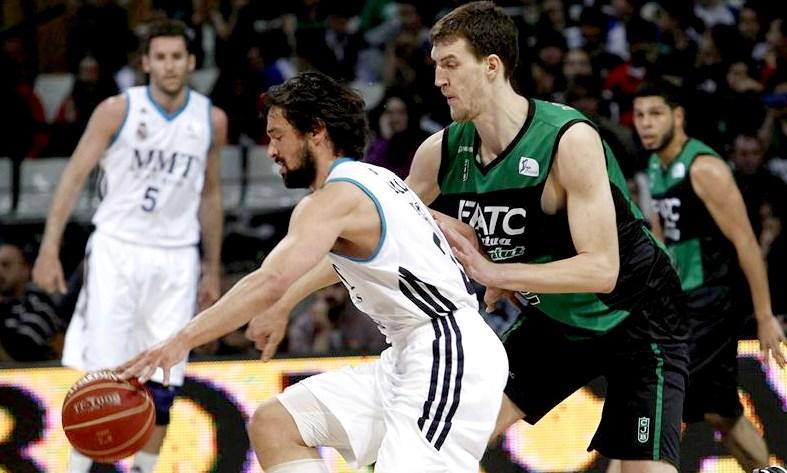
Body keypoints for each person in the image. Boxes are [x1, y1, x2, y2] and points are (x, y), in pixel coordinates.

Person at [118, 72, 508, 473]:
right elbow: (452, 231)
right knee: (276, 424)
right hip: (410, 356)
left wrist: (180, 341)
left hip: (447, 352)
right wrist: (284, 304)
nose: (271, 150)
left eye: (278, 136)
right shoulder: (377, 179)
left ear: (316, 131)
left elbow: (269, 280)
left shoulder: (335, 199)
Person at [402, 3, 691, 472]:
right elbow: (380, 221)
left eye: (450, 64)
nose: (438, 79)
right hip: (556, 320)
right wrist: (284, 293)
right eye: (436, 65)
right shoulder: (443, 150)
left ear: (491, 66)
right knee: (448, 436)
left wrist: (497, 272)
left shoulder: (567, 138)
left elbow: (601, 269)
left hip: (639, 317)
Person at [31, 19, 227, 473]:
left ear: (191, 61)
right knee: (101, 379)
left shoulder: (211, 119)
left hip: (177, 256)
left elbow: (211, 194)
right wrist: (48, 248)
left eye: (177, 57)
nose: (169, 65)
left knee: (164, 381)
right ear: (146, 63)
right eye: (160, 57)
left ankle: (144, 469)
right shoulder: (117, 110)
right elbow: (73, 176)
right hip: (117, 250)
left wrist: (212, 267)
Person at [632, 80, 786, 472]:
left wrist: (764, 315)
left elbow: (746, 242)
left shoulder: (704, 168)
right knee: (722, 412)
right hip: (683, 302)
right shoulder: (656, 166)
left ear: (678, 116)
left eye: (655, 114)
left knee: (655, 398)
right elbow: (663, 237)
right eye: (639, 115)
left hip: (711, 302)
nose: (646, 123)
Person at [0, 242, 62, 362]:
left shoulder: (39, 303)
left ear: (25, 270)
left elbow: (25, 351)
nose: (0, 271)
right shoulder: (5, 304)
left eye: (6, 265)